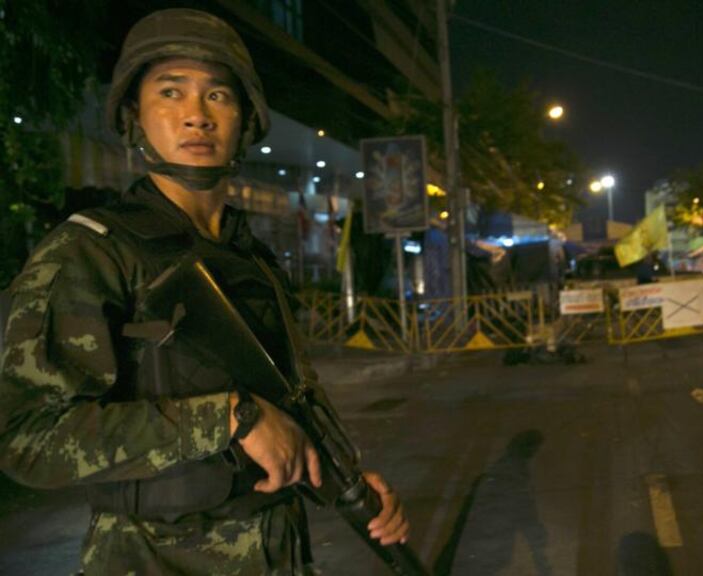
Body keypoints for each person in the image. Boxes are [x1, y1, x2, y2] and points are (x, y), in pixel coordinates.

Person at [0, 9, 408, 574]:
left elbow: (291, 396)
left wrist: (347, 474)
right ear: (135, 118)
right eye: (170, 92)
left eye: (218, 95)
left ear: (245, 119)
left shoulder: (251, 258)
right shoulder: (91, 251)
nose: (196, 115)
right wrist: (229, 421)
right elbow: (28, 438)